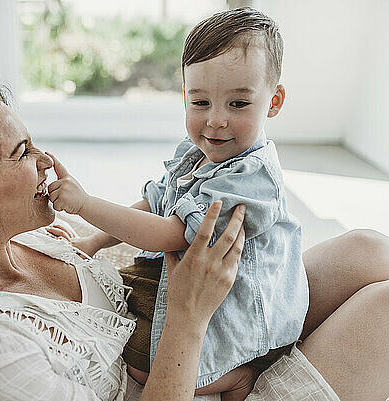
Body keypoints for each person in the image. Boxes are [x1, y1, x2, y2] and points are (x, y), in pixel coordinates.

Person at [0, 83, 389, 401]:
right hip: (185, 372)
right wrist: (189, 314)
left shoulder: (33, 243)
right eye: (21, 152)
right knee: (383, 310)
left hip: (209, 342)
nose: (46, 161)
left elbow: (116, 239)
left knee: (366, 248)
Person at [46, 8, 303, 398]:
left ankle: (239, 376)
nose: (216, 121)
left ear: (274, 101)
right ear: (185, 96)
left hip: (236, 310)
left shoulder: (252, 178)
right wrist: (93, 242)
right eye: (200, 103)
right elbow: (154, 201)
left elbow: (167, 235)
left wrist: (85, 204)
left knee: (143, 366)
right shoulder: (196, 152)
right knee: (114, 307)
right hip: (182, 280)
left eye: (238, 105)